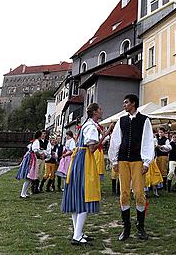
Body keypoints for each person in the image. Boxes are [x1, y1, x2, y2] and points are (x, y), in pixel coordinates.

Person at [61, 103, 112, 245]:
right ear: (95, 112)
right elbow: (92, 148)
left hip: (78, 160)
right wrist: (105, 137)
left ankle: (78, 232)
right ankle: (77, 236)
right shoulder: (91, 127)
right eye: (100, 109)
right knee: (85, 195)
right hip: (84, 161)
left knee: (77, 195)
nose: (102, 111)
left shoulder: (87, 125)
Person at [108, 94, 154, 241]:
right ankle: (126, 227)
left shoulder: (144, 120)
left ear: (133, 103)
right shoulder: (121, 121)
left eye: (126, 103)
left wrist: (147, 162)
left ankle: (141, 226)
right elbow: (115, 141)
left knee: (140, 193)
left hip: (138, 160)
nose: (124, 105)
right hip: (122, 160)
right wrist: (114, 160)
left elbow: (148, 140)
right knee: (124, 193)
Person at [16, 130, 44, 198]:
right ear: (40, 135)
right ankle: (23, 193)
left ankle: (24, 193)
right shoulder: (36, 141)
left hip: (31, 158)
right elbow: (35, 150)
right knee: (29, 177)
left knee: (30, 178)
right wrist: (40, 155)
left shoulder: (34, 141)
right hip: (31, 159)